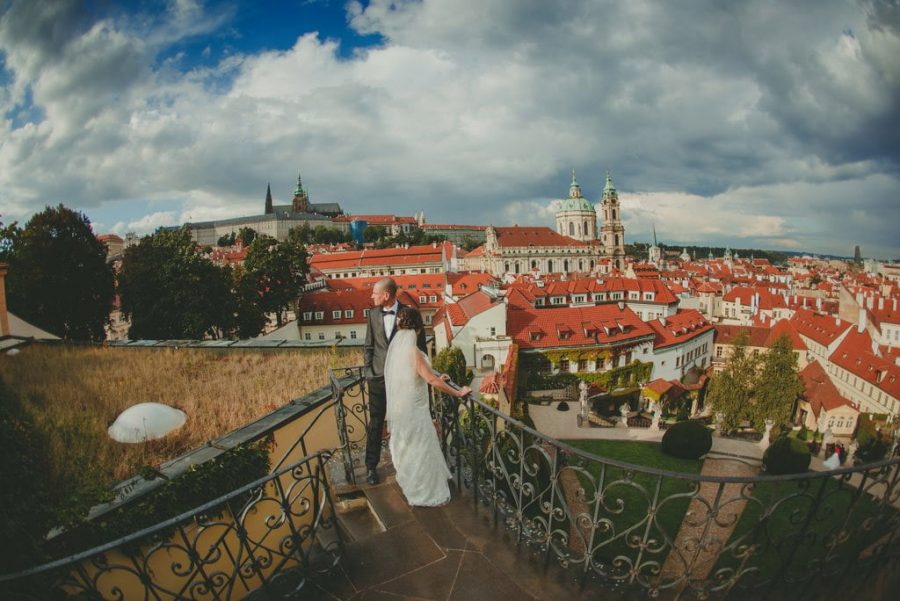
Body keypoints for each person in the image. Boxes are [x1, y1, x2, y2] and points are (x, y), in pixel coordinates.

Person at [384, 307, 471, 506]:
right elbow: (430, 380)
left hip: (404, 407)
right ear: (419, 328)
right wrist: (457, 392)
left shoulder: (397, 350)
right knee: (421, 447)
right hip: (416, 408)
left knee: (410, 446)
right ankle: (424, 491)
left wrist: (438, 377)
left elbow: (414, 377)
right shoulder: (413, 351)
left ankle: (411, 483)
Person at [363, 277, 426, 484]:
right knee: (376, 423)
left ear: (386, 295)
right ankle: (371, 467)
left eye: (375, 293)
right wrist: (369, 371)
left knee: (405, 421)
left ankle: (409, 464)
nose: (372, 296)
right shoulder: (372, 314)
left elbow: (422, 348)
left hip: (404, 380)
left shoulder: (410, 314)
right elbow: (369, 346)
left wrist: (425, 373)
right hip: (378, 379)